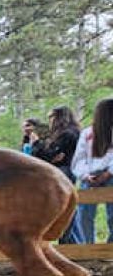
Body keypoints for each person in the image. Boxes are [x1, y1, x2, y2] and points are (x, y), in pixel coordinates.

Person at [29, 106, 82, 243]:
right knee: (68, 210)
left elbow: (47, 155)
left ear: (59, 117)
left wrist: (36, 143)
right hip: (64, 171)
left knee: (64, 210)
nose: (50, 120)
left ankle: (68, 244)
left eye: (51, 117)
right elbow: (50, 156)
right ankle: (74, 244)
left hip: (64, 172)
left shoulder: (68, 134)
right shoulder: (66, 133)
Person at [72, 98, 113, 244]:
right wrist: (85, 175)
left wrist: (108, 173)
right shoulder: (87, 133)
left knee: (112, 215)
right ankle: (87, 247)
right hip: (90, 176)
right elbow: (79, 158)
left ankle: (110, 248)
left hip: (110, 175)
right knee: (84, 215)